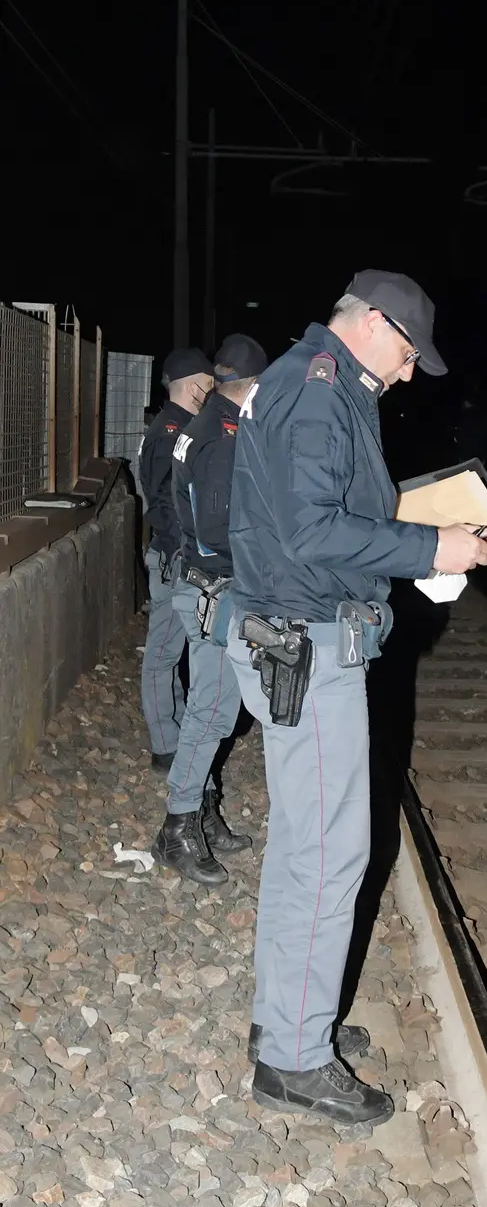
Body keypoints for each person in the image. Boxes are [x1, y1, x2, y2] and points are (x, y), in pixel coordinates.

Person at [225, 270, 487, 1126]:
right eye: (409, 351)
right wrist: (429, 547)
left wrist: (422, 538)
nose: (412, 372)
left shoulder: (325, 385)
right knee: (328, 855)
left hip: (303, 635)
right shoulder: (317, 392)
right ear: (373, 325)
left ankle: (288, 1023)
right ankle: (296, 1061)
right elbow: (310, 530)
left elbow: (325, 514)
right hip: (304, 642)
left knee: (308, 847)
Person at [151, 335, 268, 885]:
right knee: (211, 712)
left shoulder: (203, 426)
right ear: (255, 386)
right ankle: (177, 828)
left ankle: (201, 809)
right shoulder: (221, 437)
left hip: (200, 584)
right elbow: (221, 530)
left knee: (212, 709)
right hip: (216, 590)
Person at [138, 349, 213, 770]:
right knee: (163, 656)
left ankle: (175, 732)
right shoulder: (171, 431)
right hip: (174, 560)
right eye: (209, 384)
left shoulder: (176, 426)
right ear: (192, 385)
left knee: (169, 653)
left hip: (174, 557)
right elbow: (166, 503)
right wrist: (185, 552)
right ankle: (166, 746)